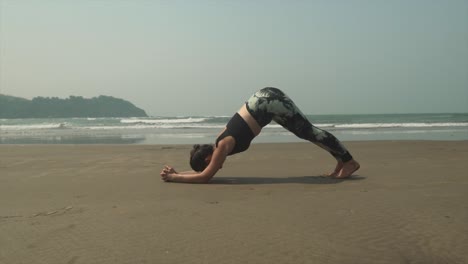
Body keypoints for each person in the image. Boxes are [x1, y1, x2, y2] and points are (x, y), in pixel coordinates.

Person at [160, 87, 360, 183]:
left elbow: (204, 177)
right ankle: (341, 163)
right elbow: (203, 172)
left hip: (266, 103)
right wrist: (178, 173)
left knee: (309, 131)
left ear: (207, 158)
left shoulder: (221, 147)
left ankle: (349, 161)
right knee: (306, 133)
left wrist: (174, 177)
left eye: (211, 164)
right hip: (264, 103)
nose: (217, 167)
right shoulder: (218, 144)